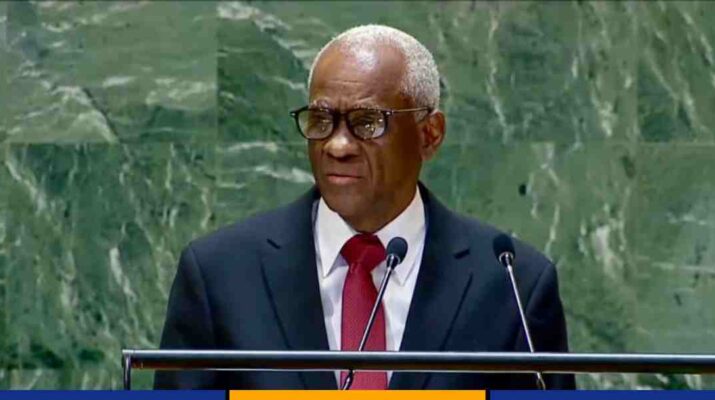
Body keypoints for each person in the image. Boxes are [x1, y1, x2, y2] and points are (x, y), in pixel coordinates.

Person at [155, 24, 575, 390]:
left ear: (429, 134)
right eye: (321, 121)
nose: (337, 146)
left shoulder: (512, 285)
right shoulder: (220, 274)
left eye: (367, 122)